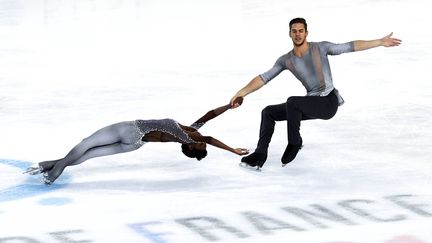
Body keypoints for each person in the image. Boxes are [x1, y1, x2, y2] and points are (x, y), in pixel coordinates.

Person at [230, 17, 401, 169]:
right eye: (294, 31)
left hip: (328, 102)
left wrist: (379, 41)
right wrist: (241, 93)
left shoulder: (320, 48)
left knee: (292, 102)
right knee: (268, 112)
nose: (298, 34)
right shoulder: (286, 60)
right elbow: (263, 78)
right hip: (309, 104)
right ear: (289, 34)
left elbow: (350, 46)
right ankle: (260, 155)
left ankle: (295, 142)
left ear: (306, 33)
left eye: (301, 31)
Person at [24, 98, 249, 184]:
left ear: (191, 147)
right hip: (135, 143)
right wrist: (229, 107)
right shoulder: (191, 130)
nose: (203, 143)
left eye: (201, 146)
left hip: (130, 131)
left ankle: (54, 172)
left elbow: (209, 138)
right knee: (87, 154)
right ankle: (47, 165)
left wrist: (233, 150)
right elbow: (209, 115)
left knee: (87, 146)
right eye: (203, 145)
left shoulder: (184, 137)